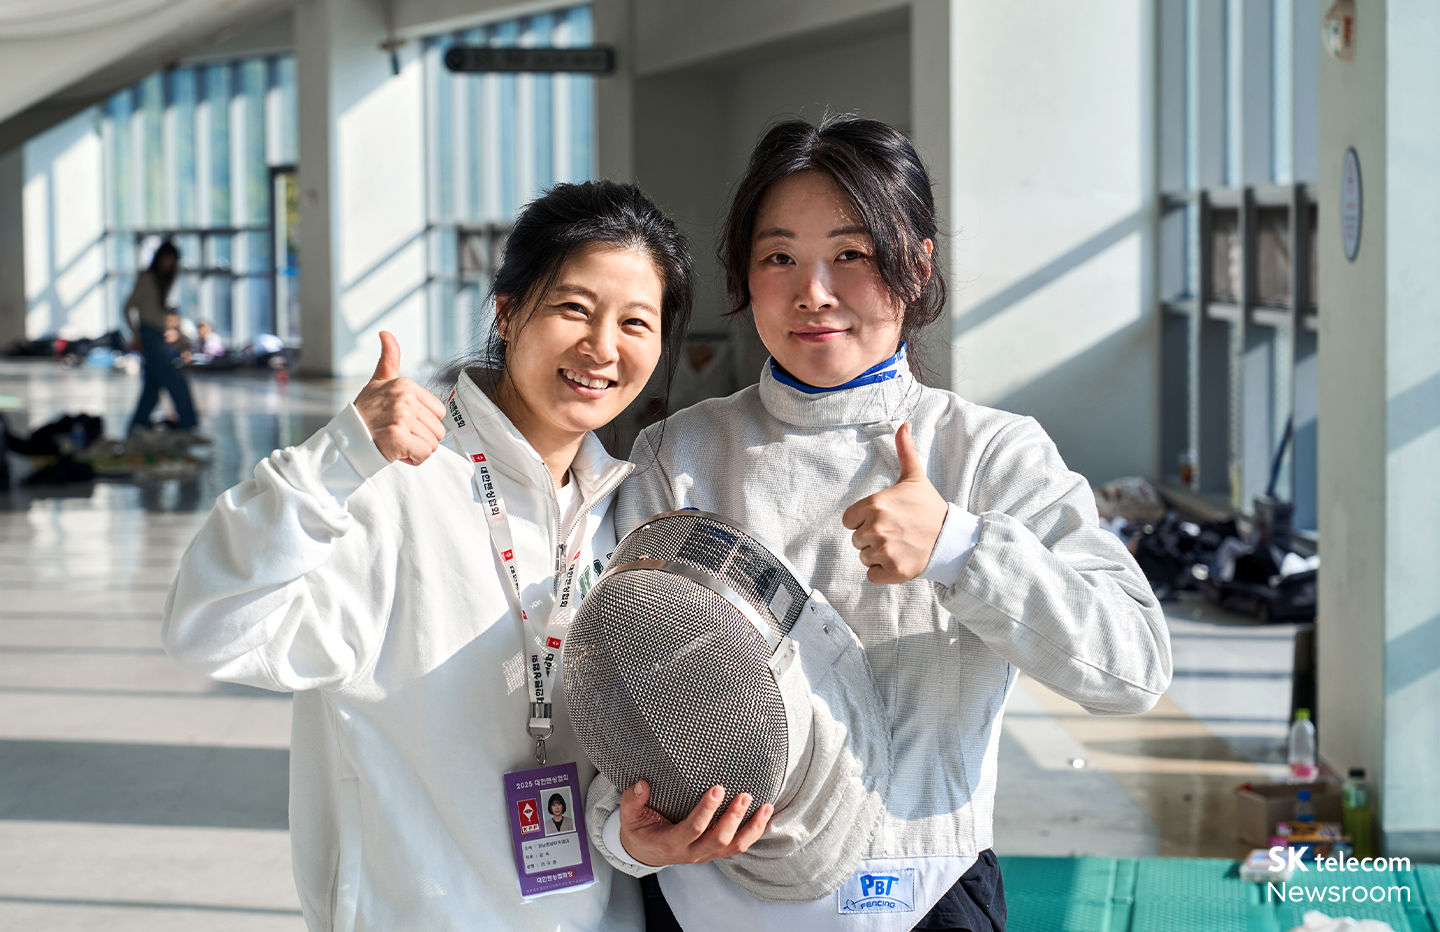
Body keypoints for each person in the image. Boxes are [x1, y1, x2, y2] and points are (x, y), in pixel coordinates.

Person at [596, 116, 1173, 932]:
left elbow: (1132, 668)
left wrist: (961, 548)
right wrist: (623, 835)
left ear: (919, 264)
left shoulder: (990, 452)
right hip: (701, 901)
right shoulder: (676, 453)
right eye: (779, 257)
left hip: (925, 896)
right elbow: (609, 688)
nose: (814, 292)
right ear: (744, 273)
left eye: (853, 255)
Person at [161, 180, 694, 932]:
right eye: (574, 307)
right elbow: (208, 629)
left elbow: (617, 756)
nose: (602, 348)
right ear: (508, 312)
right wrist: (334, 461)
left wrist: (628, 837)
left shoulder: (626, 511)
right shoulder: (393, 488)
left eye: (635, 322)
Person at [125, 242, 199, 435]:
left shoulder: (163, 281)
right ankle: (189, 426)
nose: (168, 264)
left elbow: (159, 313)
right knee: (176, 382)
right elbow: (128, 307)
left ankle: (137, 427)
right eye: (166, 259)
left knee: (151, 388)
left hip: (158, 336)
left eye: (172, 261)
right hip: (149, 336)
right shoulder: (147, 278)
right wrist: (137, 335)